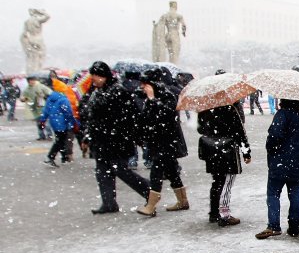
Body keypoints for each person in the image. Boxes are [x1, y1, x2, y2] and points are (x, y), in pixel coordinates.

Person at [80, 61, 150, 214]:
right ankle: (109, 203)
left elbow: (129, 117)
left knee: (120, 170)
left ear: (105, 76)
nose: (95, 79)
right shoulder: (96, 92)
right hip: (101, 140)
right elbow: (91, 117)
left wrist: (129, 135)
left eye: (98, 76)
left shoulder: (118, 91)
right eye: (93, 76)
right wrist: (87, 136)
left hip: (116, 140)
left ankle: (149, 190)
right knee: (102, 172)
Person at [135, 68, 189, 217]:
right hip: (158, 141)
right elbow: (146, 119)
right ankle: (183, 200)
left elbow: (166, 116)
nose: (142, 87)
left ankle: (151, 204)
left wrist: (152, 100)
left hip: (166, 141)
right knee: (171, 172)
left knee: (156, 171)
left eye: (145, 84)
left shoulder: (167, 96)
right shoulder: (150, 97)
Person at [256, 99, 299, 239]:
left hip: (281, 161)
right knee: (295, 194)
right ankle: (294, 227)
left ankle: (274, 225)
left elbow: (275, 135)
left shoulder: (283, 114)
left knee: (273, 193)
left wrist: (271, 148)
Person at [198, 88, 251, 227]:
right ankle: (224, 214)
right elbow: (239, 132)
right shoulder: (229, 109)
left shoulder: (205, 109)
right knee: (227, 181)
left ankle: (214, 213)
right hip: (227, 150)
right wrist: (246, 151)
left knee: (217, 181)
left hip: (211, 150)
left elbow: (200, 129)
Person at [38, 87, 76, 166]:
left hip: (54, 123)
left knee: (60, 139)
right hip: (62, 123)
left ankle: (64, 157)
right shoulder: (64, 99)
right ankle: (50, 157)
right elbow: (68, 112)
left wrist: (42, 120)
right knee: (60, 141)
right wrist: (72, 122)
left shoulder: (51, 98)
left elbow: (45, 111)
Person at [21, 75, 53, 140]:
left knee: (46, 123)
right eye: (30, 81)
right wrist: (24, 99)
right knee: (39, 123)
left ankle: (49, 135)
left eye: (33, 80)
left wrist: (44, 96)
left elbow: (50, 92)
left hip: (43, 106)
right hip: (34, 108)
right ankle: (41, 136)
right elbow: (22, 97)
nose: (32, 82)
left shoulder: (40, 86)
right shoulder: (27, 89)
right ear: (28, 82)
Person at [20, 8, 50, 73]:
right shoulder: (37, 20)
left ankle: (30, 71)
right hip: (38, 40)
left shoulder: (27, 21)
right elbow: (47, 16)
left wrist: (26, 42)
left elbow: (24, 33)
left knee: (31, 57)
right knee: (39, 57)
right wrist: (40, 11)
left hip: (30, 39)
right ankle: (36, 72)